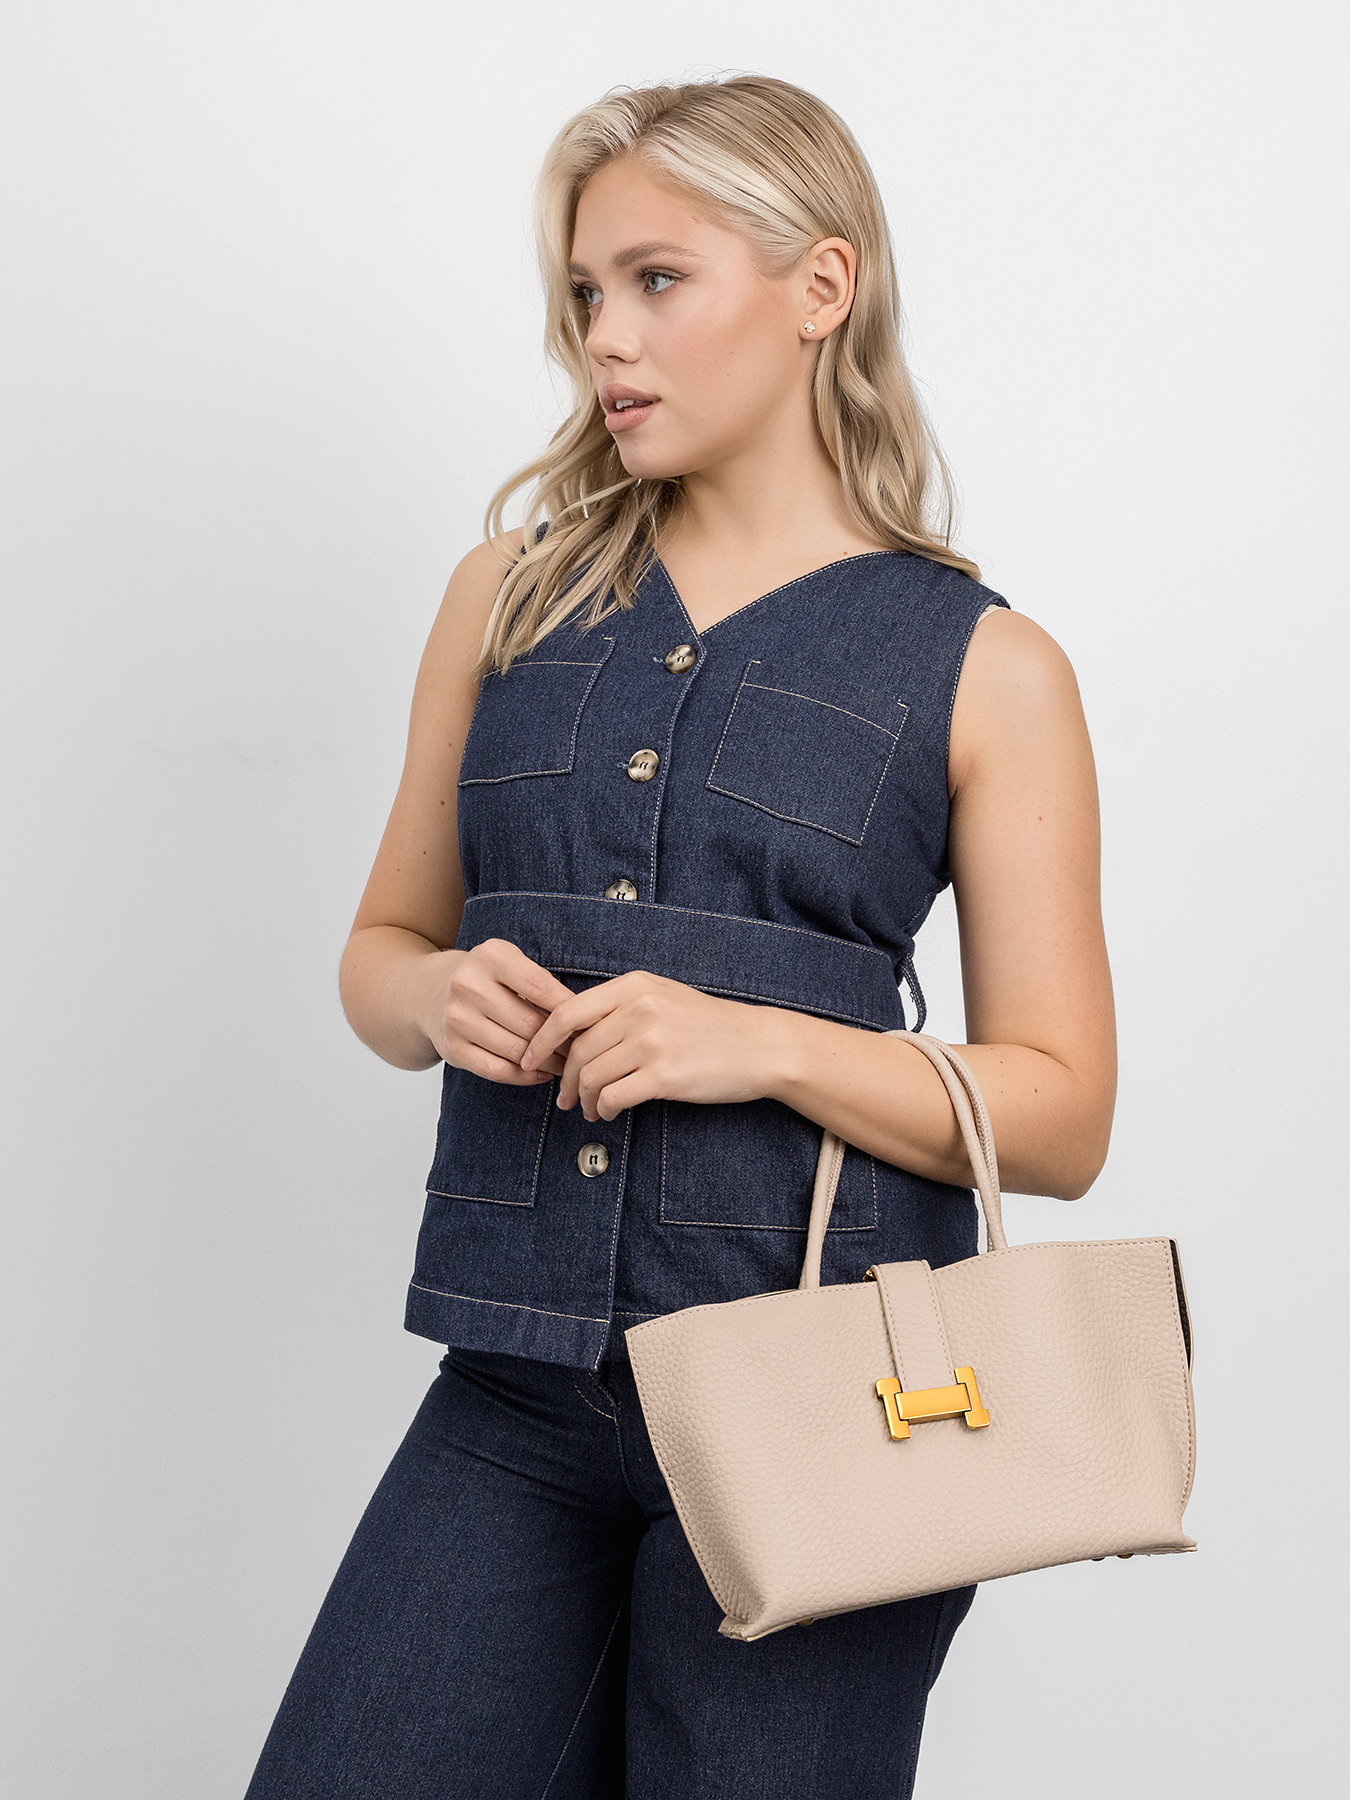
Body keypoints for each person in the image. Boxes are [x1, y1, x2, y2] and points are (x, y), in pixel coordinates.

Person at [243, 74, 1116, 1800]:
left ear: (819, 286)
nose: (604, 340)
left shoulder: (986, 667)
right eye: (585, 291)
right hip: (513, 1389)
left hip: (830, 1407)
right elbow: (377, 953)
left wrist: (764, 1044)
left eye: (656, 280)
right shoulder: (507, 595)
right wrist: (433, 991)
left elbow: (1063, 1114)